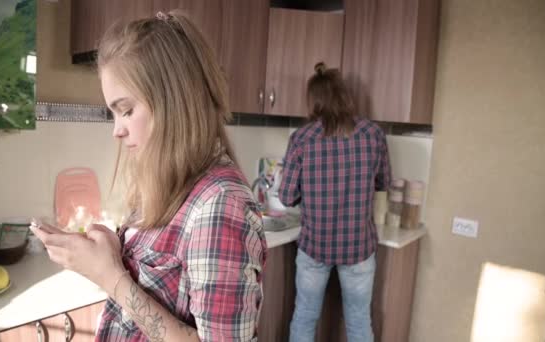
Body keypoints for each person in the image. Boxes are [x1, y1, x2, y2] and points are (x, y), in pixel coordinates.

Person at [30, 11, 267, 342]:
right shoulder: (169, 183)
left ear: (176, 101)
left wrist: (109, 275)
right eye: (113, 113)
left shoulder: (220, 205)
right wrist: (117, 254)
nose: (117, 130)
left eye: (126, 110)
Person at [278, 62, 391, 342]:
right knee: (358, 321)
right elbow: (384, 183)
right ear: (344, 96)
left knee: (304, 316)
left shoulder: (301, 139)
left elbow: (286, 196)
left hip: (315, 246)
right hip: (359, 247)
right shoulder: (373, 135)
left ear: (314, 101)